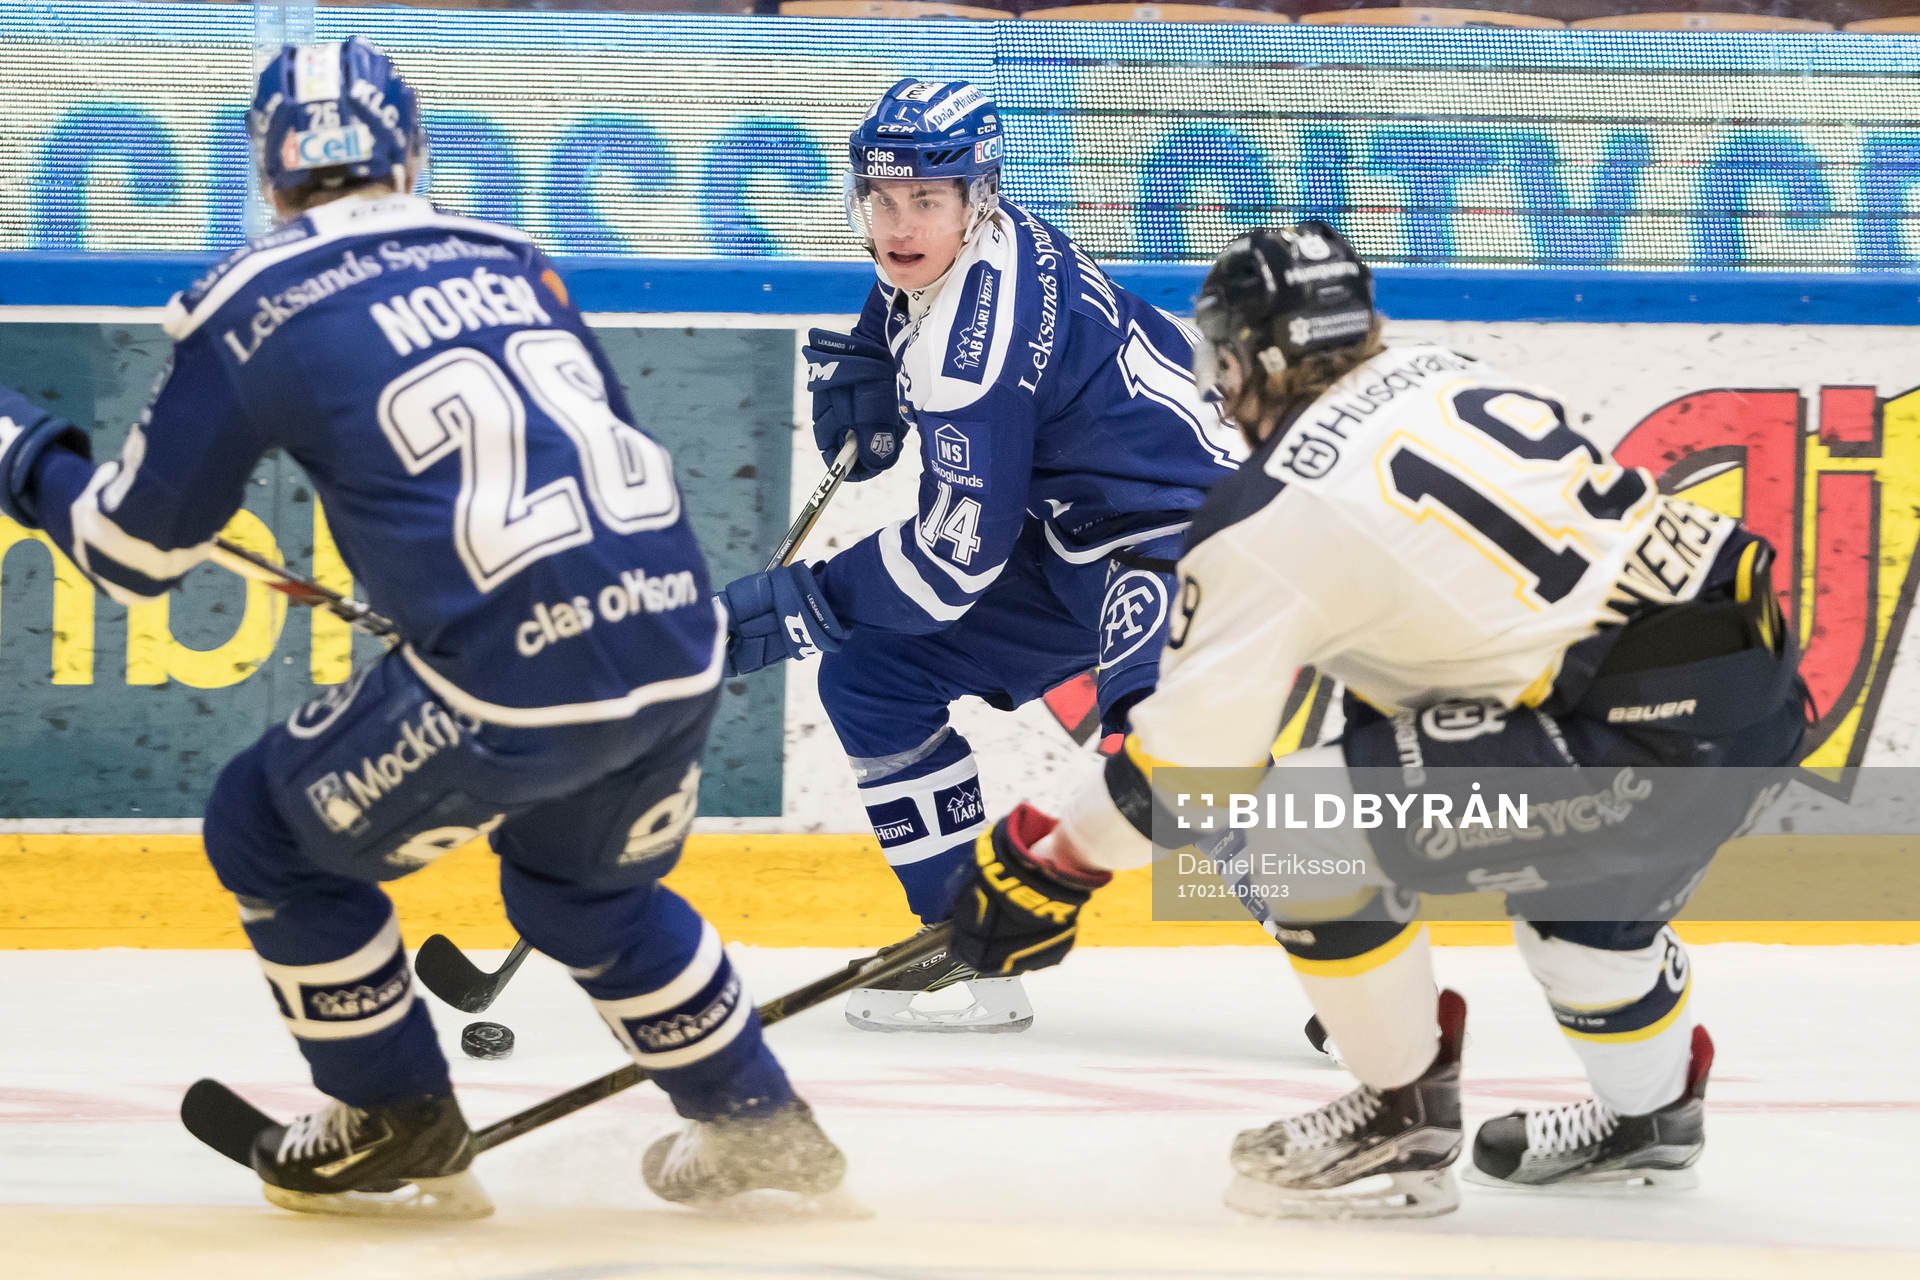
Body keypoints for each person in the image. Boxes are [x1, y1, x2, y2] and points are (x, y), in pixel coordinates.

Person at [0, 39, 844, 1219]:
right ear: (411, 150)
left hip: (512, 680)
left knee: (265, 826)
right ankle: (764, 1126)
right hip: (679, 645)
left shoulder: (252, 296)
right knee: (581, 896)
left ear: (270, 166)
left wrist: (18, 446)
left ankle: (392, 1109)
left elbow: (130, 552)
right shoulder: (514, 258)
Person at [941, 223, 1809, 1217]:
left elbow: (1192, 770)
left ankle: (1401, 1120)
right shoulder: (1447, 372)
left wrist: (1057, 862)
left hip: (1637, 735)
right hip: (1750, 686)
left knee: (1295, 830)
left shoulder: (1270, 511)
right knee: (1586, 933)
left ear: (1244, 357)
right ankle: (1653, 1121)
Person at [716, 78, 1242, 1033]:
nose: (897, 223)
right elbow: (902, 292)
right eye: (879, 198)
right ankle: (967, 950)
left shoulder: (974, 354)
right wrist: (874, 357)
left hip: (1193, 545)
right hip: (1082, 535)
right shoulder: (971, 242)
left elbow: (949, 567)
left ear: (977, 197)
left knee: (1168, 756)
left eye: (925, 200)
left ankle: (1360, 946)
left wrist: (801, 603)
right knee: (874, 679)